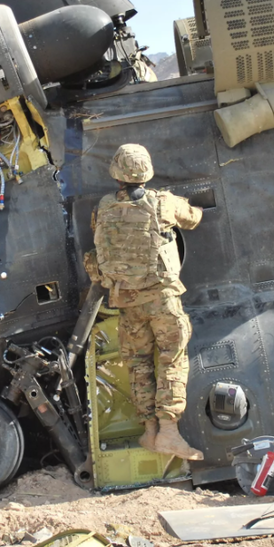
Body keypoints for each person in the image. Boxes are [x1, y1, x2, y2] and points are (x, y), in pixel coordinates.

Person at [85, 144, 204, 460]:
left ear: (117, 174)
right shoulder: (162, 202)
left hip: (127, 302)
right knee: (171, 358)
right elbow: (193, 218)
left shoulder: (103, 207)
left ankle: (149, 432)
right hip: (161, 300)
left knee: (138, 363)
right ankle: (169, 432)